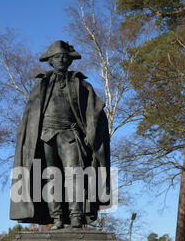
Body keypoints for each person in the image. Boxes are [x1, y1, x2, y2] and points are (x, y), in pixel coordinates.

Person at [10, 40, 111, 229]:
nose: (62, 59)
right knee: (51, 176)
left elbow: (93, 110)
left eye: (65, 56)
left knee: (75, 175)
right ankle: (56, 217)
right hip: (45, 137)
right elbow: (29, 120)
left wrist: (91, 130)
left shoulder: (81, 85)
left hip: (70, 134)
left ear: (70, 60)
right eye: (57, 57)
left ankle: (75, 217)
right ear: (50, 61)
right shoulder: (41, 86)